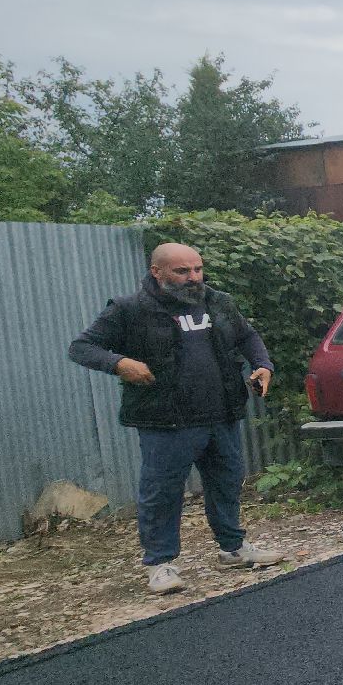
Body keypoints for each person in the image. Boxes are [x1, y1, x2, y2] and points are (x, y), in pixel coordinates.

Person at [70, 242, 286, 594]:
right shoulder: (129, 309)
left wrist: (263, 364)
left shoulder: (218, 301)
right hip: (166, 420)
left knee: (227, 481)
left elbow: (247, 336)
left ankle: (233, 549)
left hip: (221, 413)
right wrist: (120, 363)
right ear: (156, 271)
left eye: (197, 269)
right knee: (162, 492)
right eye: (182, 271)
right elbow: (82, 347)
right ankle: (161, 564)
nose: (193, 278)